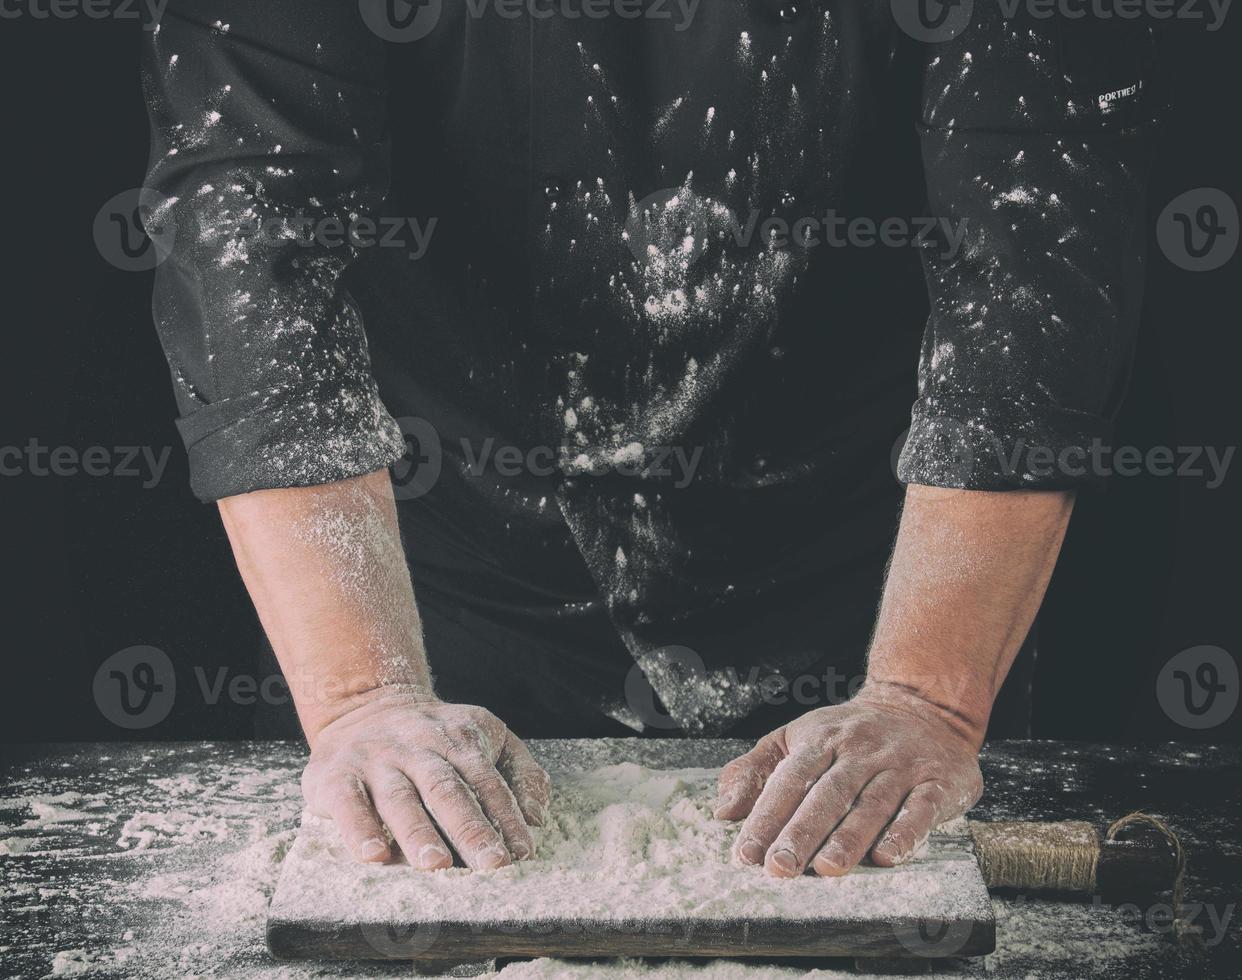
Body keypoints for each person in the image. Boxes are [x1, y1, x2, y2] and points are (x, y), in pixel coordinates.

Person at [141, 1, 1154, 877]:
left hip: (877, 592)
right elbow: (251, 240)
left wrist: (929, 697)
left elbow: (1034, 246)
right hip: (426, 581)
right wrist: (364, 697)